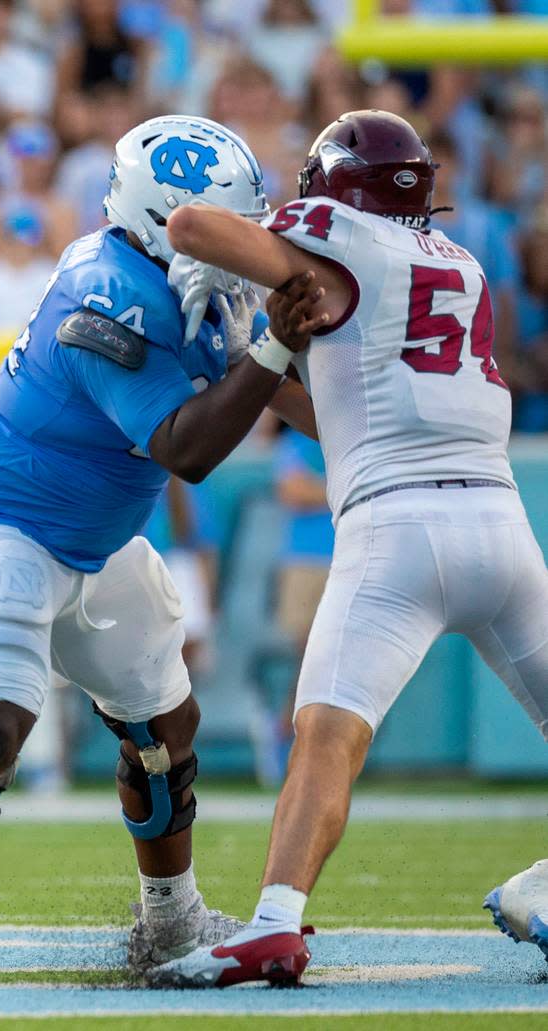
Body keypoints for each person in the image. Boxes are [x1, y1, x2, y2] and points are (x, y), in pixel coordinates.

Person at [0, 114, 320, 983]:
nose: (239, 243)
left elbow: (278, 389)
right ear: (165, 219)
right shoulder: (104, 291)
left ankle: (170, 919)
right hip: (0, 518)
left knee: (167, 727)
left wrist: (357, 412)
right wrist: (274, 343)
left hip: (96, 534)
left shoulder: (188, 276)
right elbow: (186, 449)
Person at [148, 109, 548, 988]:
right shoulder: (463, 263)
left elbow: (188, 225)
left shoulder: (339, 231)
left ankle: (275, 924)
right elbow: (341, 404)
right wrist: (265, 352)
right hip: (502, 527)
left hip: (396, 529)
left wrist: (234, 272)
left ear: (336, 189)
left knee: (326, 734)